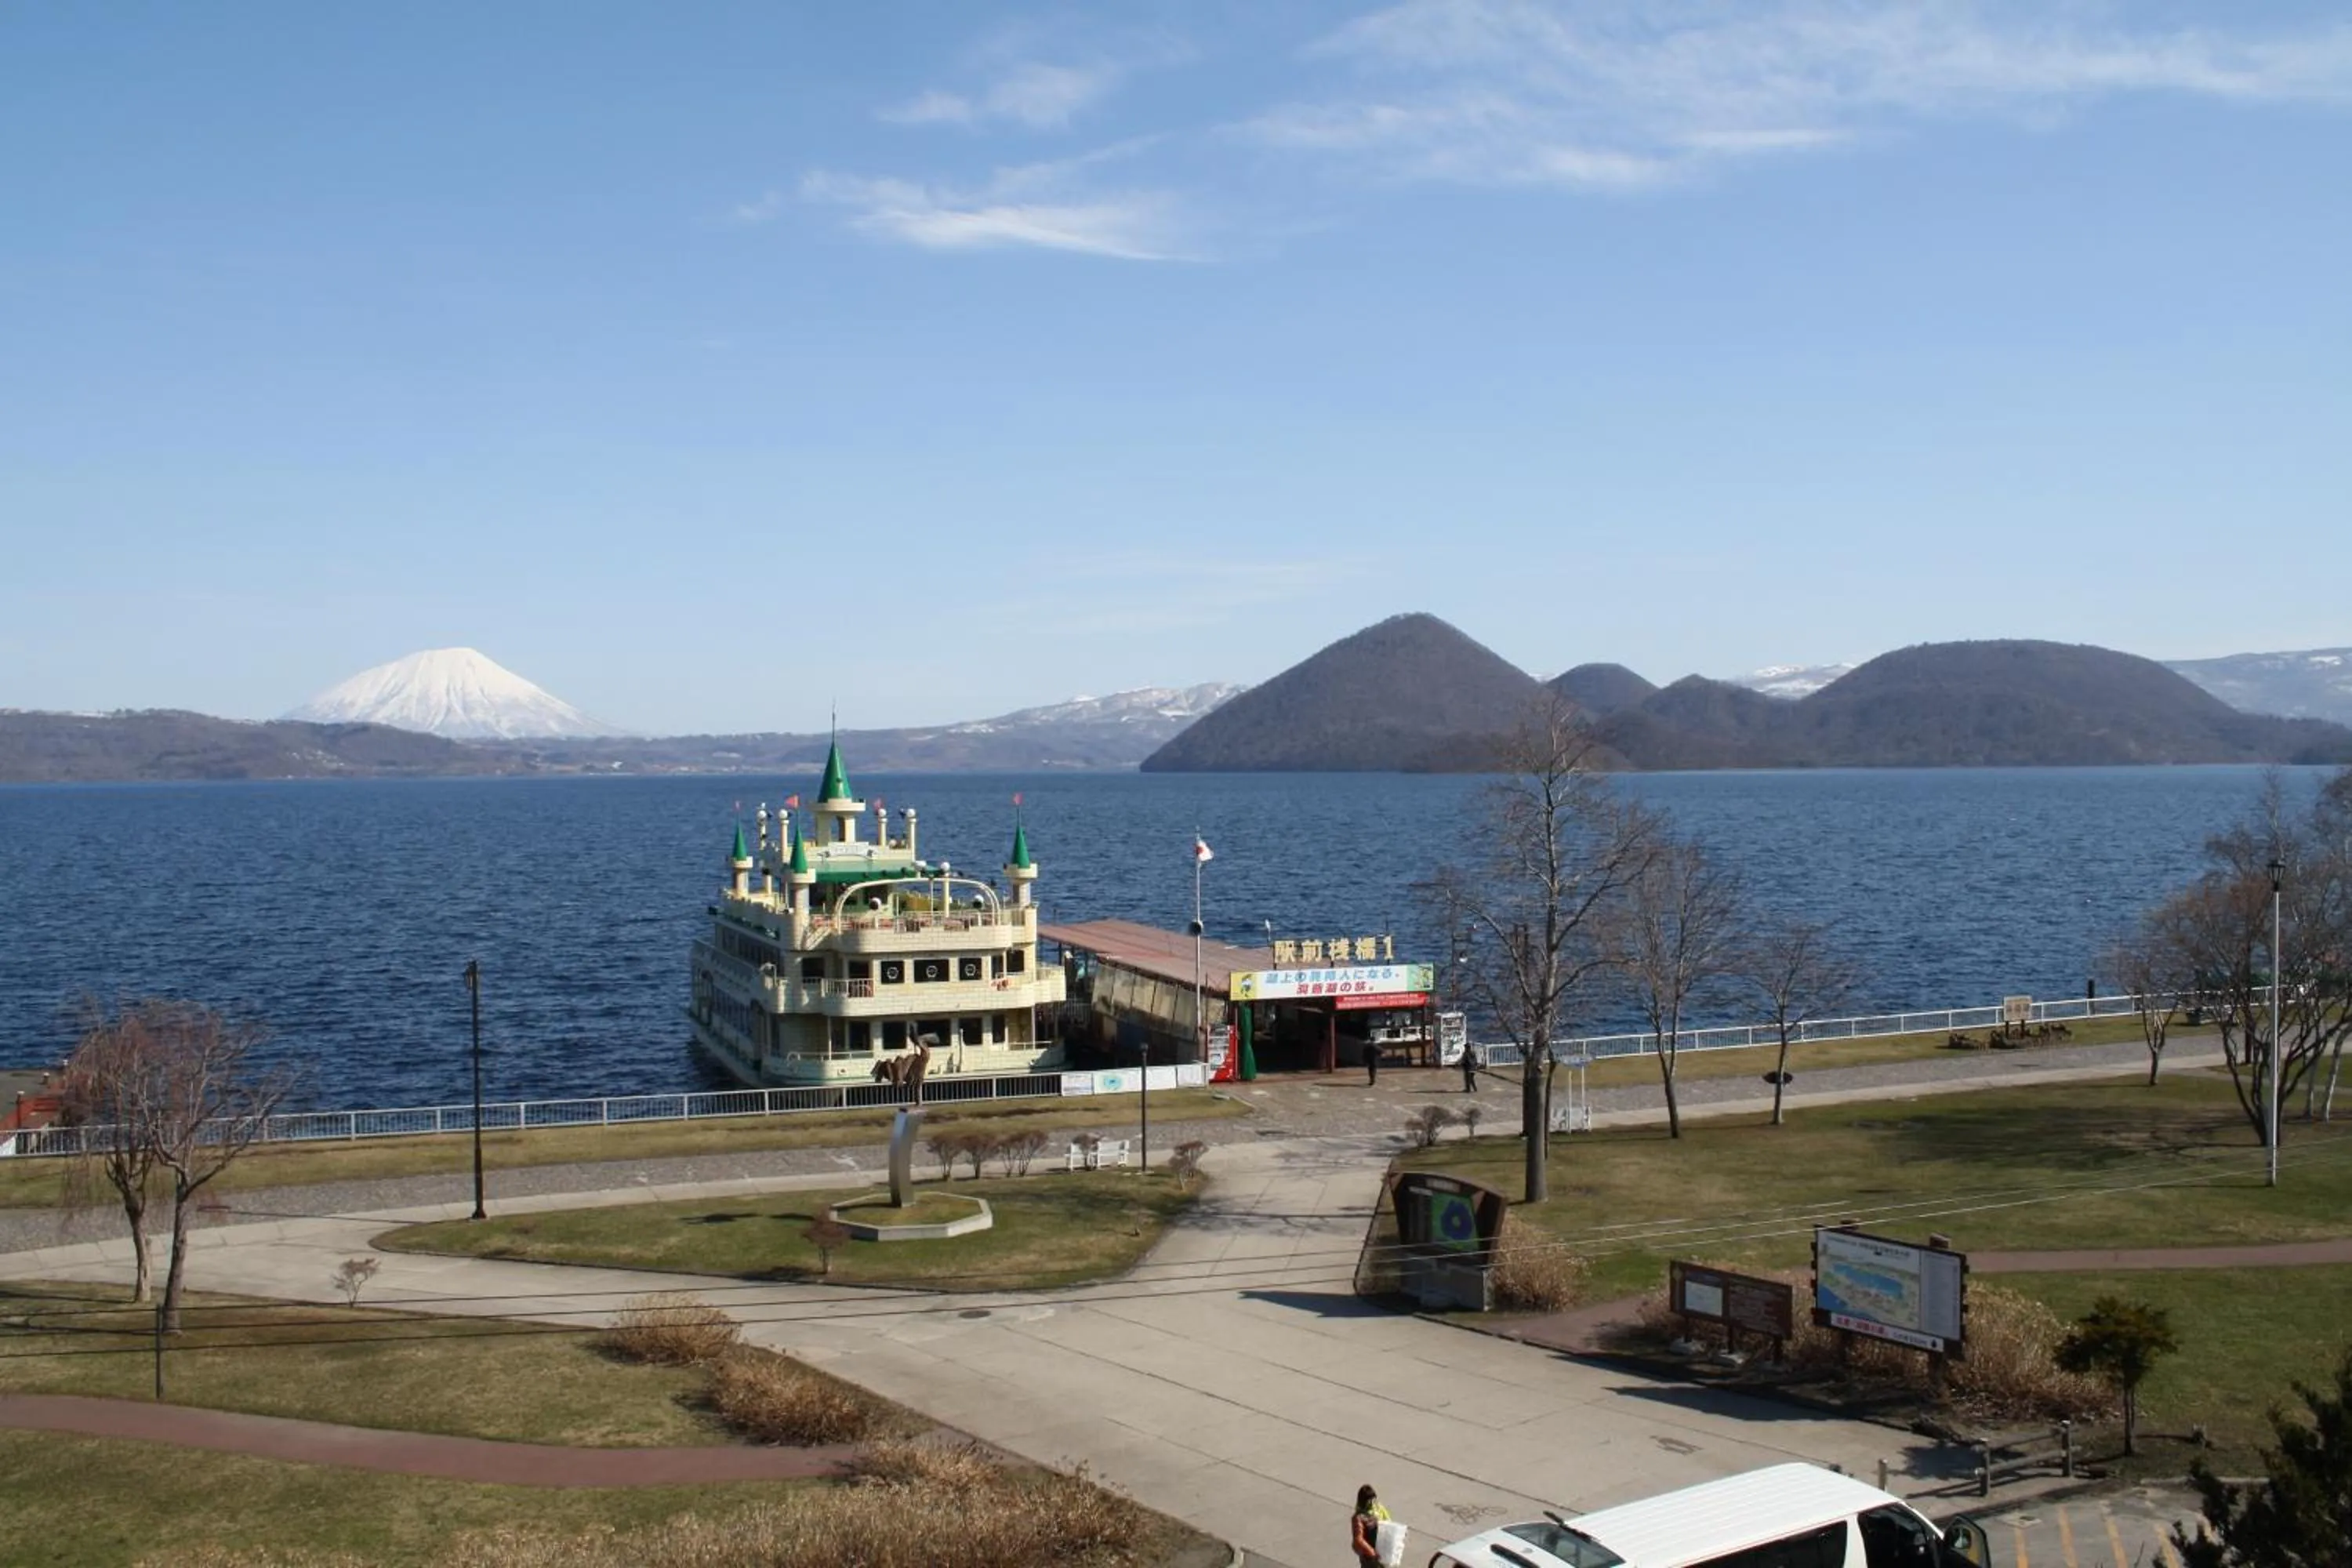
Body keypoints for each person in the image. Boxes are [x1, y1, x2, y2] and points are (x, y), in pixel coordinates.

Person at [1351, 1483, 1391, 1566]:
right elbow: (1359, 1540)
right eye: (1370, 1500)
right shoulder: (1359, 1518)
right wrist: (1372, 1552)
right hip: (1369, 1558)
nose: (1373, 1503)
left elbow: (1389, 1524)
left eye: (1373, 1499)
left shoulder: (1379, 1509)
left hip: (1382, 1553)